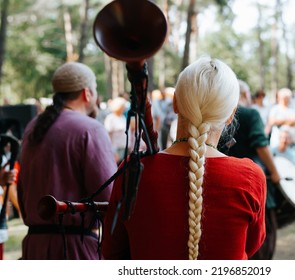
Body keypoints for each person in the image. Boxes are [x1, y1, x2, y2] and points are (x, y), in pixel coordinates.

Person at [102, 57, 267, 260]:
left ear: (175, 103)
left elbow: (112, 251)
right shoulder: (250, 177)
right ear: (231, 115)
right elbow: (250, 246)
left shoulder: (133, 171)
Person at [17, 62, 117, 260]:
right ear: (87, 93)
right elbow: (110, 197)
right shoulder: (89, 129)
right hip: (72, 251)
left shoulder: (32, 127)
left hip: (34, 249)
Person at [221, 79, 280, 260]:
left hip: (223, 184)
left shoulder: (217, 114)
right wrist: (275, 172)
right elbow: (261, 145)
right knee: (263, 240)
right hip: (252, 184)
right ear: (245, 95)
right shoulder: (250, 114)